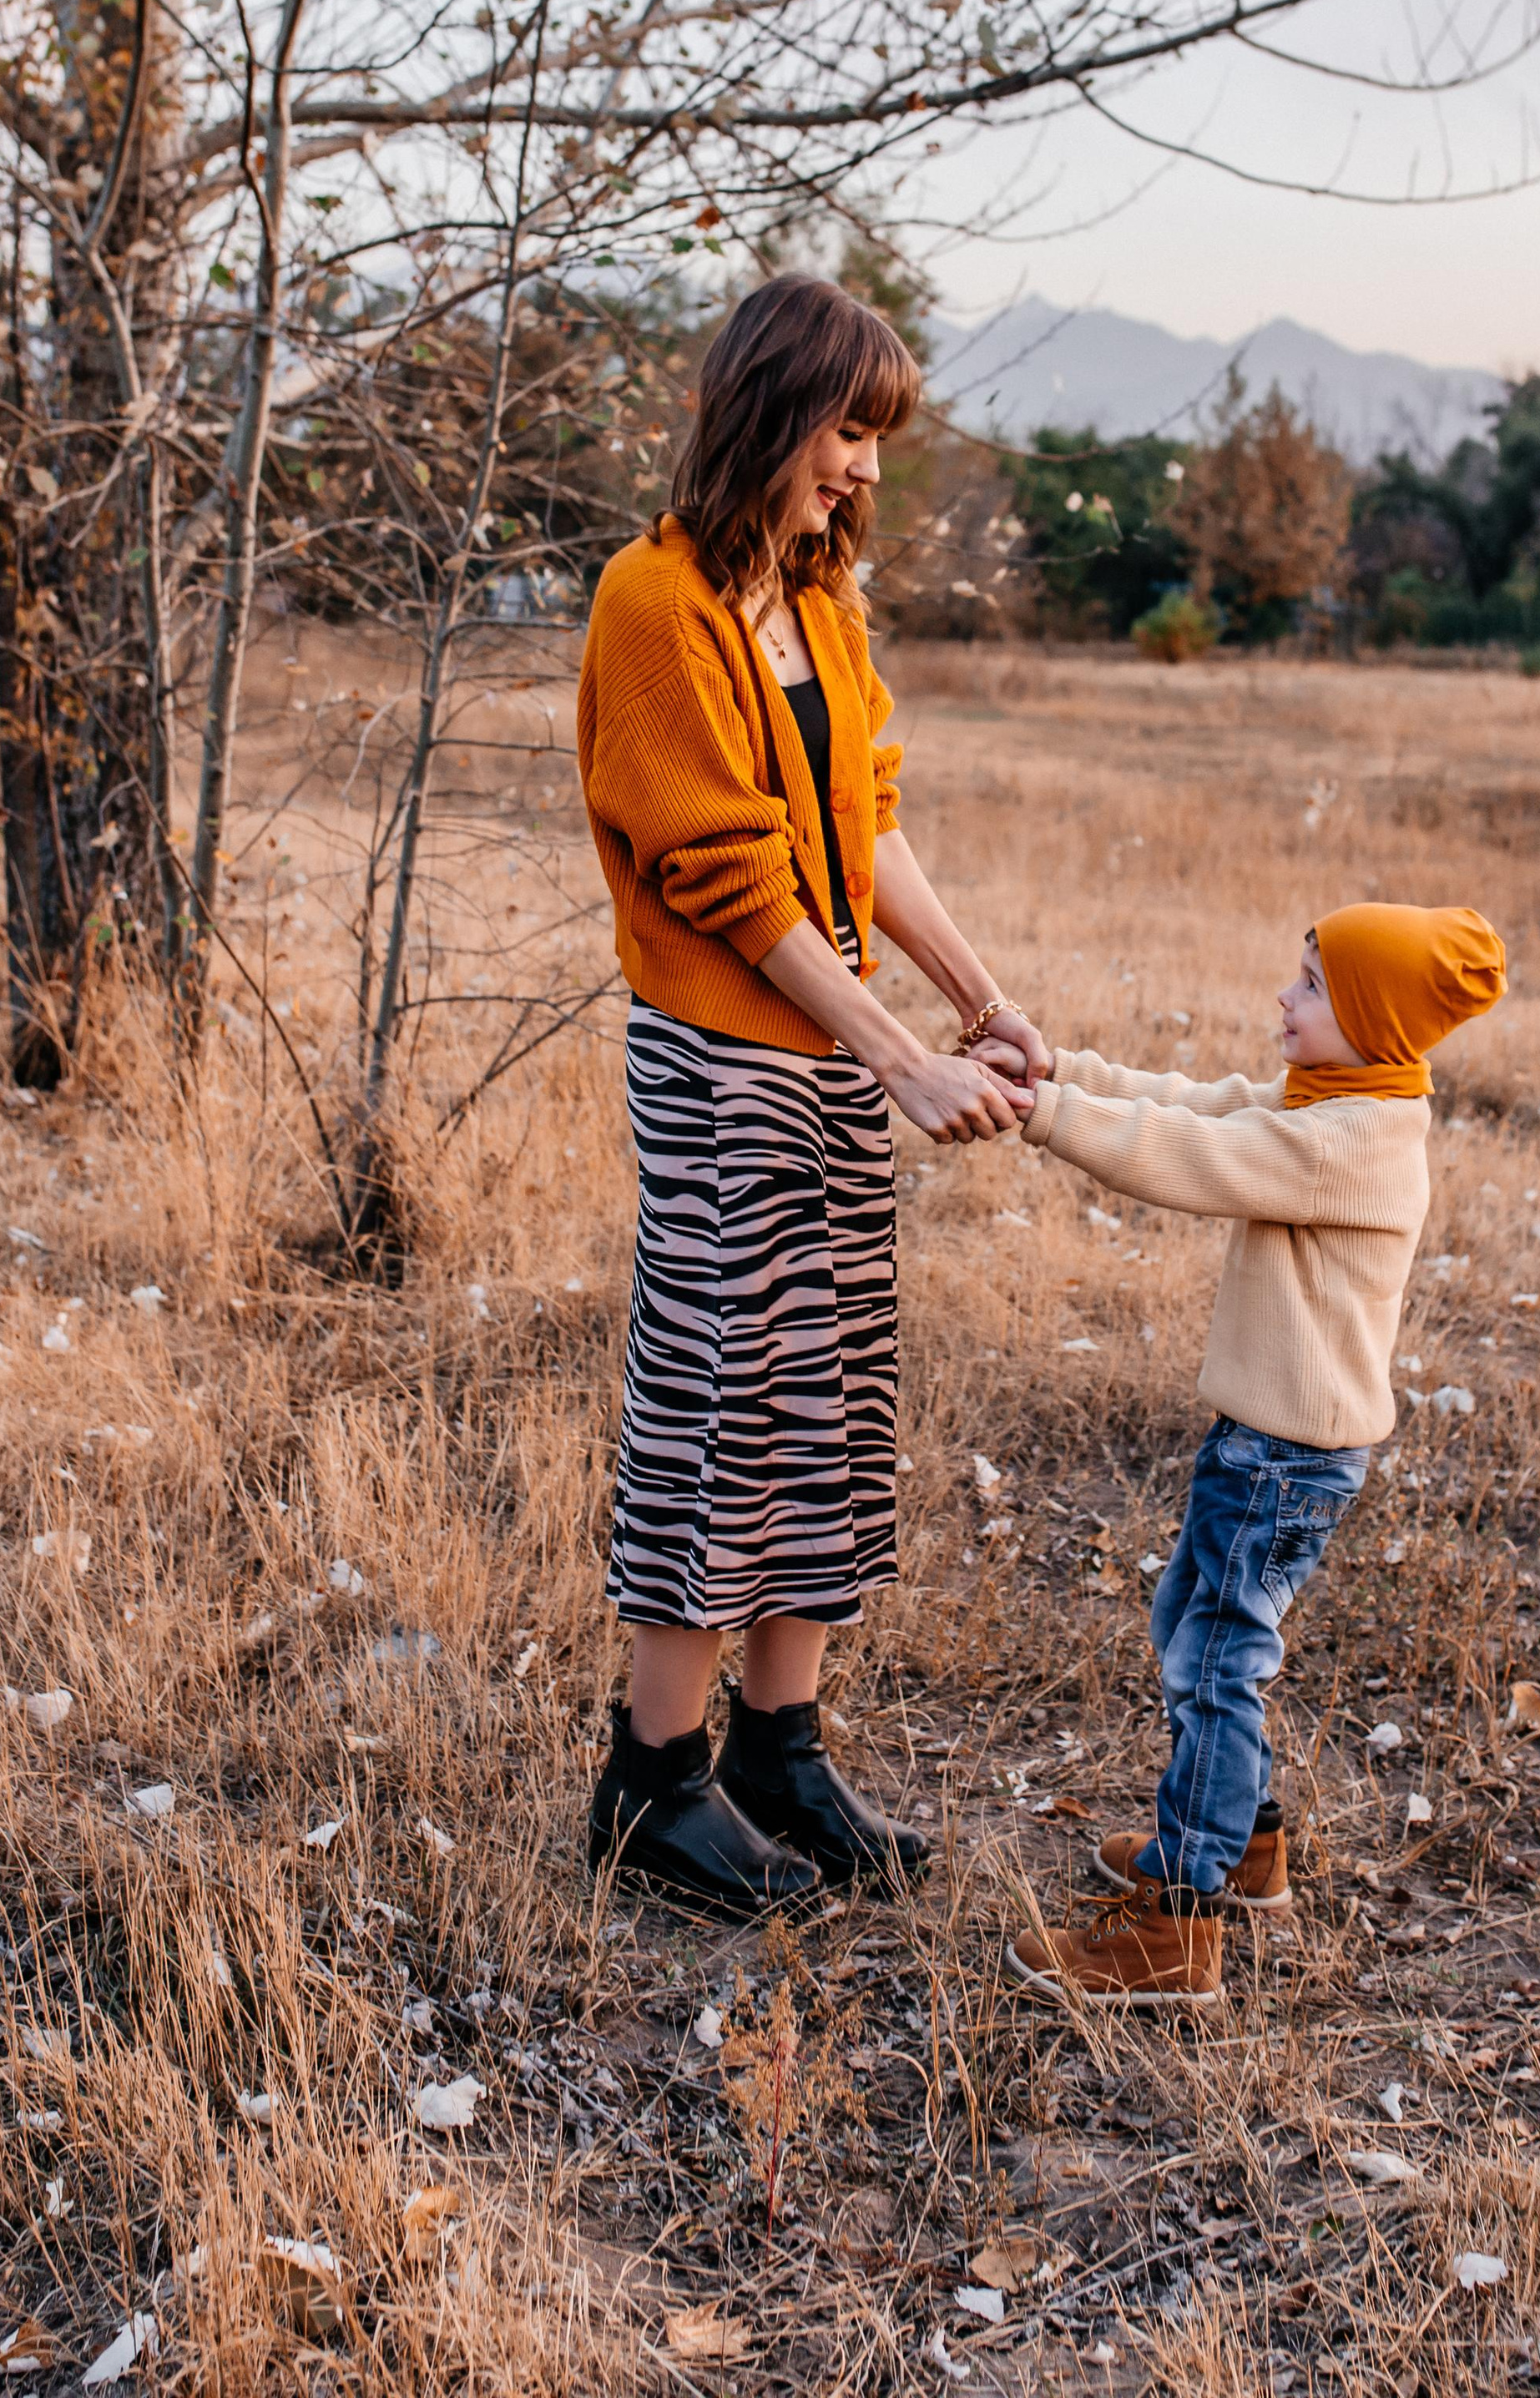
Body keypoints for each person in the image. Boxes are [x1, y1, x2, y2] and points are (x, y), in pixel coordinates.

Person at [575, 273, 1048, 1915]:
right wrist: (894, 1053)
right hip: (726, 1059)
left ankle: (782, 1750)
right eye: (846, 431)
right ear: (770, 413)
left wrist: (975, 1003)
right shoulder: (654, 600)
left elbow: (866, 826)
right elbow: (726, 879)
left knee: (826, 1397)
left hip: (830, 1044)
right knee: (718, 1402)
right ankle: (651, 1782)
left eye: (875, 438)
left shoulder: (820, 602)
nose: (863, 467)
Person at [982, 901, 1506, 2006]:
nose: (1285, 996)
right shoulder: (1343, 1100)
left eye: (1313, 986)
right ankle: (1244, 1850)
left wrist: (1042, 1112)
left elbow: (1196, 1155)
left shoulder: (1345, 1144)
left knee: (1215, 1662)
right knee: (1199, 1631)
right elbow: (1201, 1104)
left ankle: (1181, 1927)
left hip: (1283, 1453)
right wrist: (1064, 1070)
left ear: (1371, 1020)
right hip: (1277, 1443)